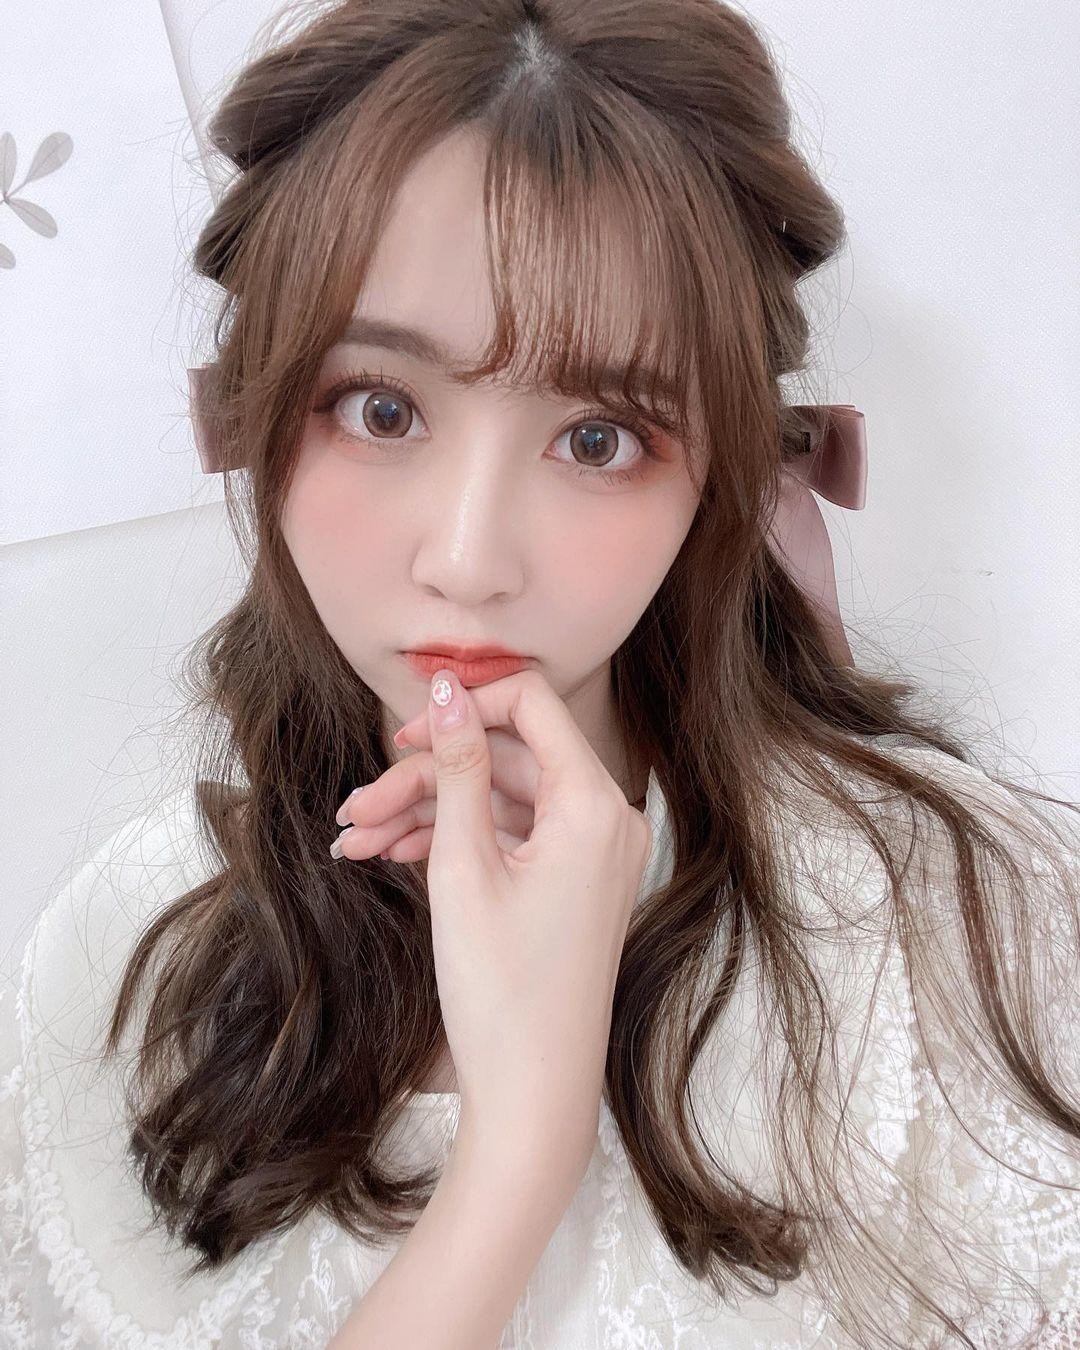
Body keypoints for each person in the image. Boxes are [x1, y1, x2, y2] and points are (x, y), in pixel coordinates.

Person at [3, 0, 1078, 1345]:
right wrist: (520, 1148)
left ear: (718, 473)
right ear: (262, 414)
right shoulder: (129, 950)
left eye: (598, 438)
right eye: (382, 409)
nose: (467, 560)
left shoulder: (962, 928)